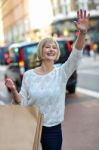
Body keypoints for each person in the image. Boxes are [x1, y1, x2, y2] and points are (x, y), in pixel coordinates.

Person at [5, 9, 90, 150]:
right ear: (41, 51)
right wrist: (14, 90)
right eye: (47, 47)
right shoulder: (29, 75)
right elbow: (22, 102)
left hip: (52, 130)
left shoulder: (61, 73)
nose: (51, 49)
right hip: (31, 127)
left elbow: (75, 56)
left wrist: (82, 33)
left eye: (54, 48)